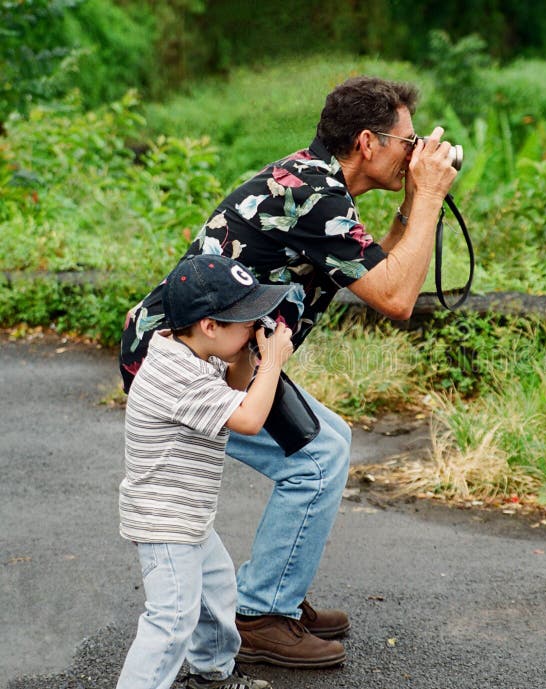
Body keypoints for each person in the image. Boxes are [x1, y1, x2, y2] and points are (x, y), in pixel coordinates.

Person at [119, 75, 458, 668]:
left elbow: (382, 265)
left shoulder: (317, 182)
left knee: (329, 444)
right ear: (368, 142)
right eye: (407, 143)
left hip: (219, 351)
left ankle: (273, 596)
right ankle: (260, 614)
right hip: (186, 361)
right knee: (316, 456)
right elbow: (398, 299)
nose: (415, 154)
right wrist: (428, 197)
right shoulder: (315, 197)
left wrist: (411, 204)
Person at [117, 253, 295, 689]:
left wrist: (248, 357)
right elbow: (249, 418)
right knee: (171, 620)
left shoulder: (191, 349)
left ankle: (213, 675)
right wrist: (272, 363)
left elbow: (231, 389)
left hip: (188, 512)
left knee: (216, 595)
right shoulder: (176, 372)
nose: (256, 325)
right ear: (210, 326)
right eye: (246, 320)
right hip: (166, 519)